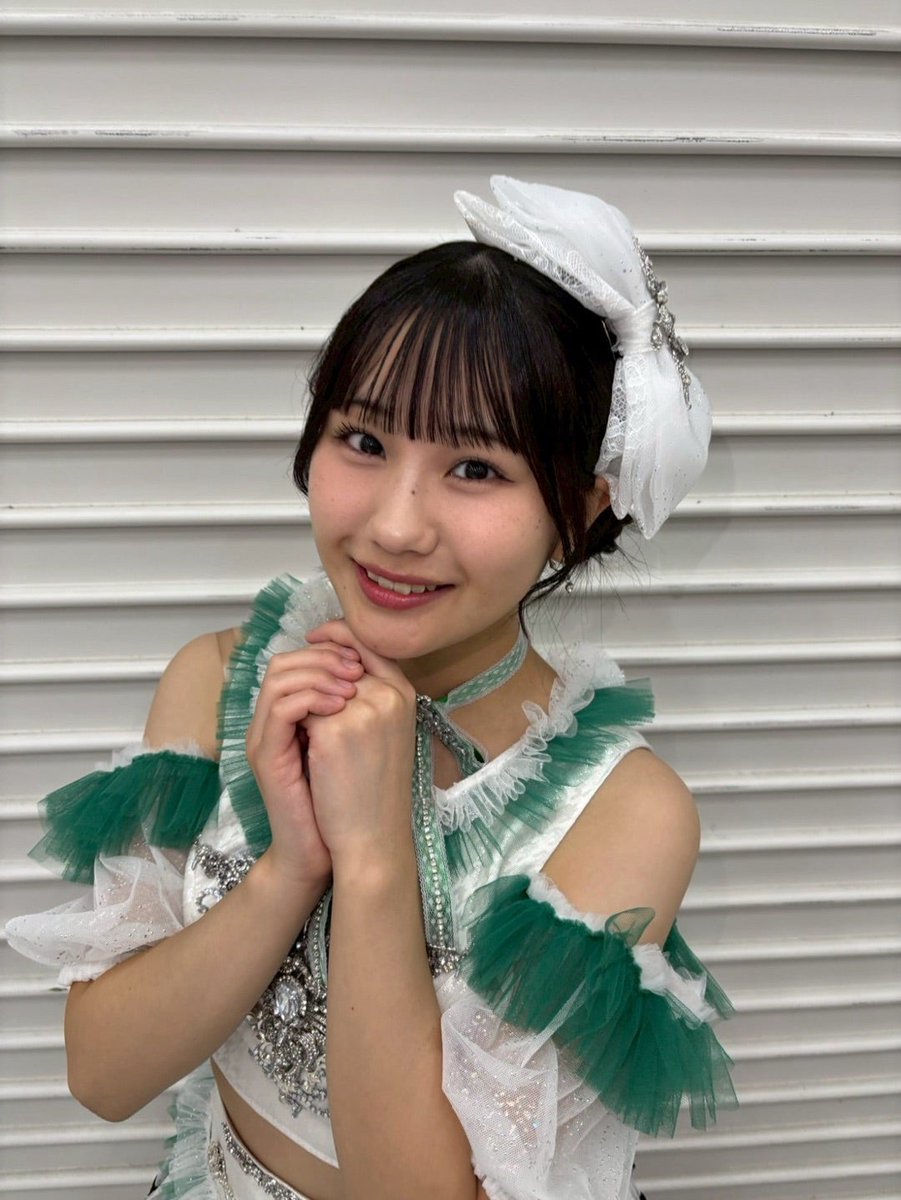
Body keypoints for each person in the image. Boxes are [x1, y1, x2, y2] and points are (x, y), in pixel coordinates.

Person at [6, 176, 738, 1200]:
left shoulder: (620, 813)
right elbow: (103, 1074)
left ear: (577, 510)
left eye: (476, 468)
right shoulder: (217, 684)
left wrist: (374, 855)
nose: (395, 525)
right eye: (363, 441)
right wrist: (289, 865)